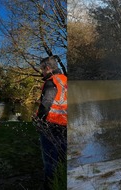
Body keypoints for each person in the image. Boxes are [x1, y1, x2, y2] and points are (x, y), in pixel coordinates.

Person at [35, 56, 67, 189]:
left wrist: (38, 121)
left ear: (47, 68)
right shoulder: (65, 79)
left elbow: (46, 103)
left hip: (52, 126)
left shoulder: (51, 82)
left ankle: (49, 185)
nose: (41, 72)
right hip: (65, 125)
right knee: (62, 157)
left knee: (50, 159)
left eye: (42, 69)